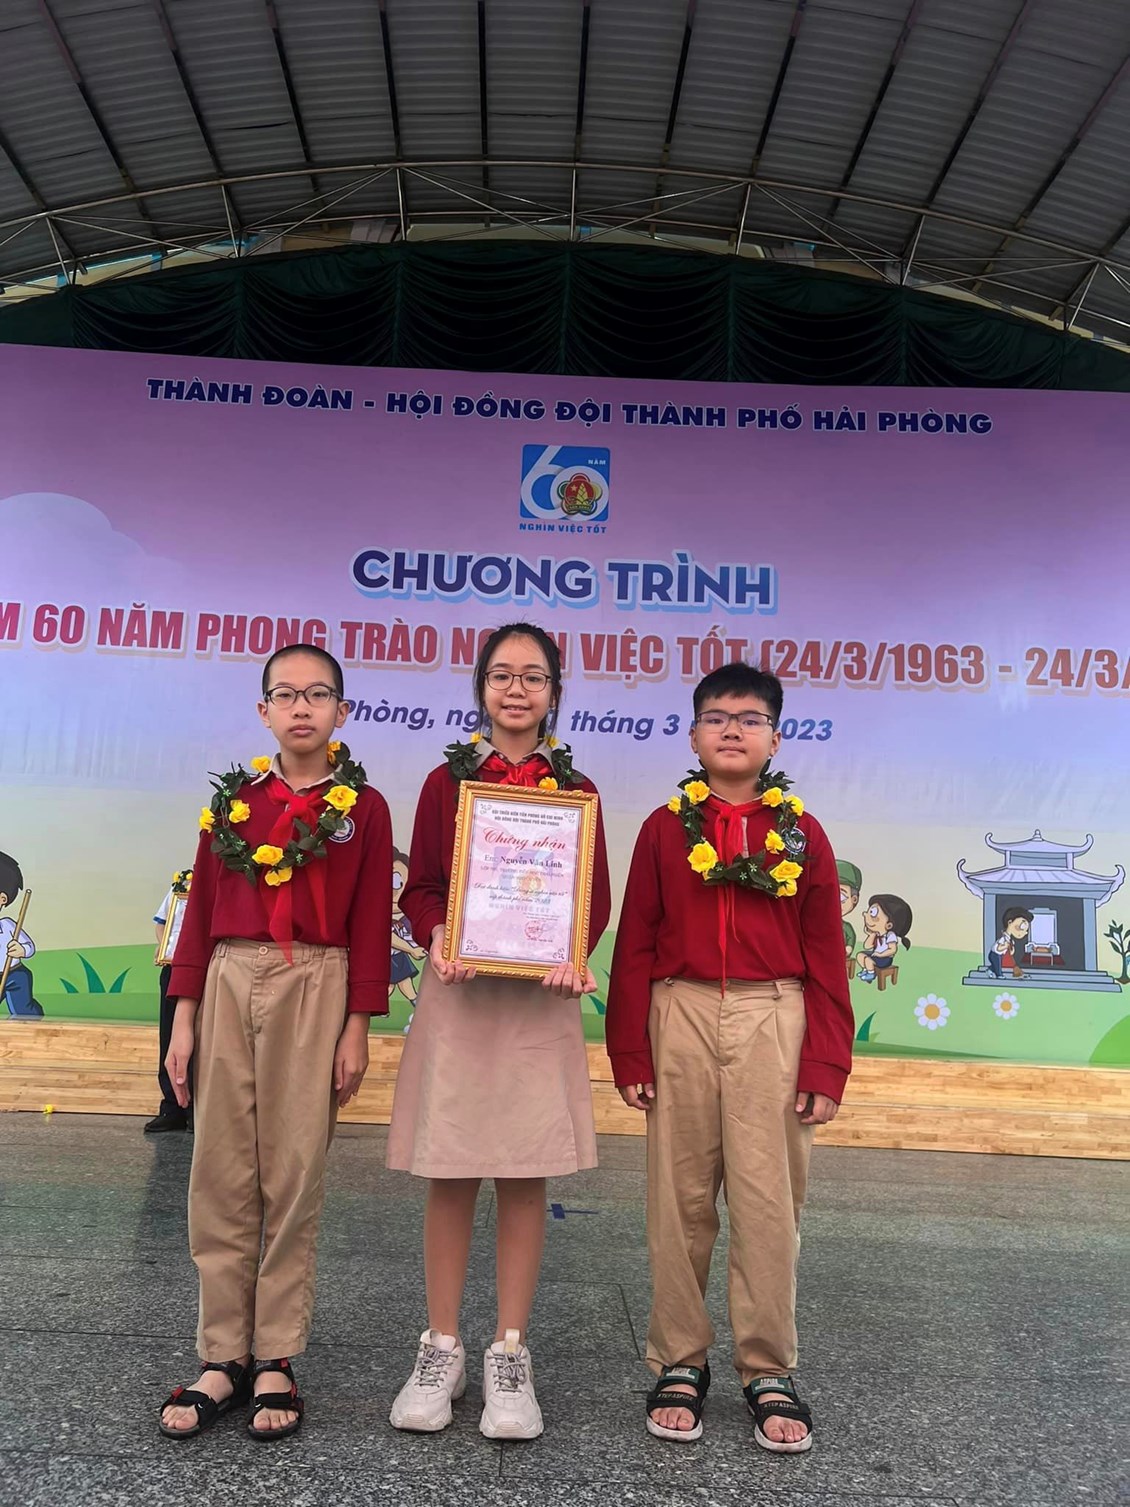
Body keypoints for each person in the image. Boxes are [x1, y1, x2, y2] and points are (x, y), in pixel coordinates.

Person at [606, 663, 852, 1453]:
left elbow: (827, 954)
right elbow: (635, 942)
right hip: (677, 1011)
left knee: (768, 1202)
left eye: (750, 718)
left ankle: (767, 1365)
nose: (733, 729)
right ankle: (679, 1358)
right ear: (693, 735)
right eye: (716, 717)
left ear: (775, 738)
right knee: (676, 1200)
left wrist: (825, 1063)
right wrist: (629, 1048)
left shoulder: (803, 835)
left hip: (774, 1016)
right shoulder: (662, 828)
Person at [158, 645, 392, 1441]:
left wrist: (357, 1024)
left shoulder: (365, 808)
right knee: (218, 1169)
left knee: (293, 1171)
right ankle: (222, 1354)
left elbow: (371, 919)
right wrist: (184, 1014)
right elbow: (199, 909)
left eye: (318, 694)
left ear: (341, 711)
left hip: (316, 980)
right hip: (230, 974)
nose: (301, 707)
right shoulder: (233, 802)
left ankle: (276, 1357)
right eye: (285, 694)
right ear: (263, 711)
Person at [386, 622, 611, 1441]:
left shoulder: (577, 789)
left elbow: (594, 896)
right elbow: (422, 887)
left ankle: (510, 1352)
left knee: (524, 1171)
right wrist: (439, 930)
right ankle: (440, 1346)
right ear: (481, 686)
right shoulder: (446, 783)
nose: (517, 689)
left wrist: (571, 951)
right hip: (461, 993)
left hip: (536, 1003)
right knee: (449, 1168)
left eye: (533, 676)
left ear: (555, 691)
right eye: (502, 675)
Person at [144, 870, 194, 1133]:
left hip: (209, 970)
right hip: (174, 968)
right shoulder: (183, 883)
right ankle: (172, 1107)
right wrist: (165, 947)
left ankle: (199, 1112)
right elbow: (162, 923)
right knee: (169, 1037)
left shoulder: (227, 883)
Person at [0, 851, 42, 1018]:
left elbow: (29, 946)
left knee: (23, 1010)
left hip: (14, 974)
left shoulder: (8, 925)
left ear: (2, 899)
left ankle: (32, 1018)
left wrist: (22, 950)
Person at [855, 893, 912, 983]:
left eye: (873, 913)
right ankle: (866, 970)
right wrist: (871, 935)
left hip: (885, 959)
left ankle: (871, 973)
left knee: (868, 960)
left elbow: (892, 950)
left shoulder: (890, 935)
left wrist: (880, 954)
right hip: (876, 955)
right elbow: (867, 946)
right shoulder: (877, 934)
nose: (865, 915)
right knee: (860, 955)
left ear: (889, 925)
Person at [989, 906, 1032, 979]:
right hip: (995, 955)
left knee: (998, 965)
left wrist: (1011, 950)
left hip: (1002, 955)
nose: (1023, 932)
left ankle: (990, 970)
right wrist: (1005, 946)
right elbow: (998, 948)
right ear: (1010, 922)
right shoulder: (1003, 938)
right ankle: (999, 975)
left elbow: (1009, 952)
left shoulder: (1010, 940)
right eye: (1021, 927)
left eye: (1025, 930)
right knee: (997, 965)